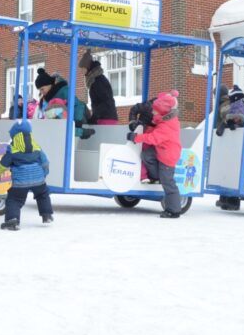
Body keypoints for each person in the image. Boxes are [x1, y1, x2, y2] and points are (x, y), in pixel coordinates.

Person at [127, 90, 183, 218]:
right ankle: (156, 175)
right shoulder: (164, 120)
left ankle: (173, 210)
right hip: (161, 150)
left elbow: (153, 138)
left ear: (163, 111)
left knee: (168, 183)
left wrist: (136, 137)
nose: (153, 112)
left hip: (168, 156)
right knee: (147, 155)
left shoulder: (167, 125)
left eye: (155, 111)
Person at [0, 120, 53, 230]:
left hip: (20, 182)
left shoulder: (13, 149)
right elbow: (45, 162)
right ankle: (46, 214)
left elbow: (3, 165)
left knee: (14, 199)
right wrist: (44, 174)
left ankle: (12, 220)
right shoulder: (37, 147)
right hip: (38, 180)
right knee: (43, 194)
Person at [214, 85, 244, 211]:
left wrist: (229, 122)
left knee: (237, 170)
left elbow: (237, 117)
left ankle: (234, 201)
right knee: (234, 169)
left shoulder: (237, 104)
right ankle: (229, 199)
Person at [33, 68, 94, 139]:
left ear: (49, 84)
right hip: (70, 126)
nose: (41, 92)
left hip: (78, 120)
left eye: (42, 89)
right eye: (39, 90)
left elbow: (78, 105)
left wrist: (77, 123)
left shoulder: (63, 92)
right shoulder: (48, 98)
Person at [78, 50, 118, 124]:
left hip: (105, 119)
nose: (83, 73)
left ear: (88, 68)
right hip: (106, 117)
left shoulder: (97, 81)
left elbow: (105, 102)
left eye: (84, 69)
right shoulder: (97, 79)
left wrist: (94, 118)